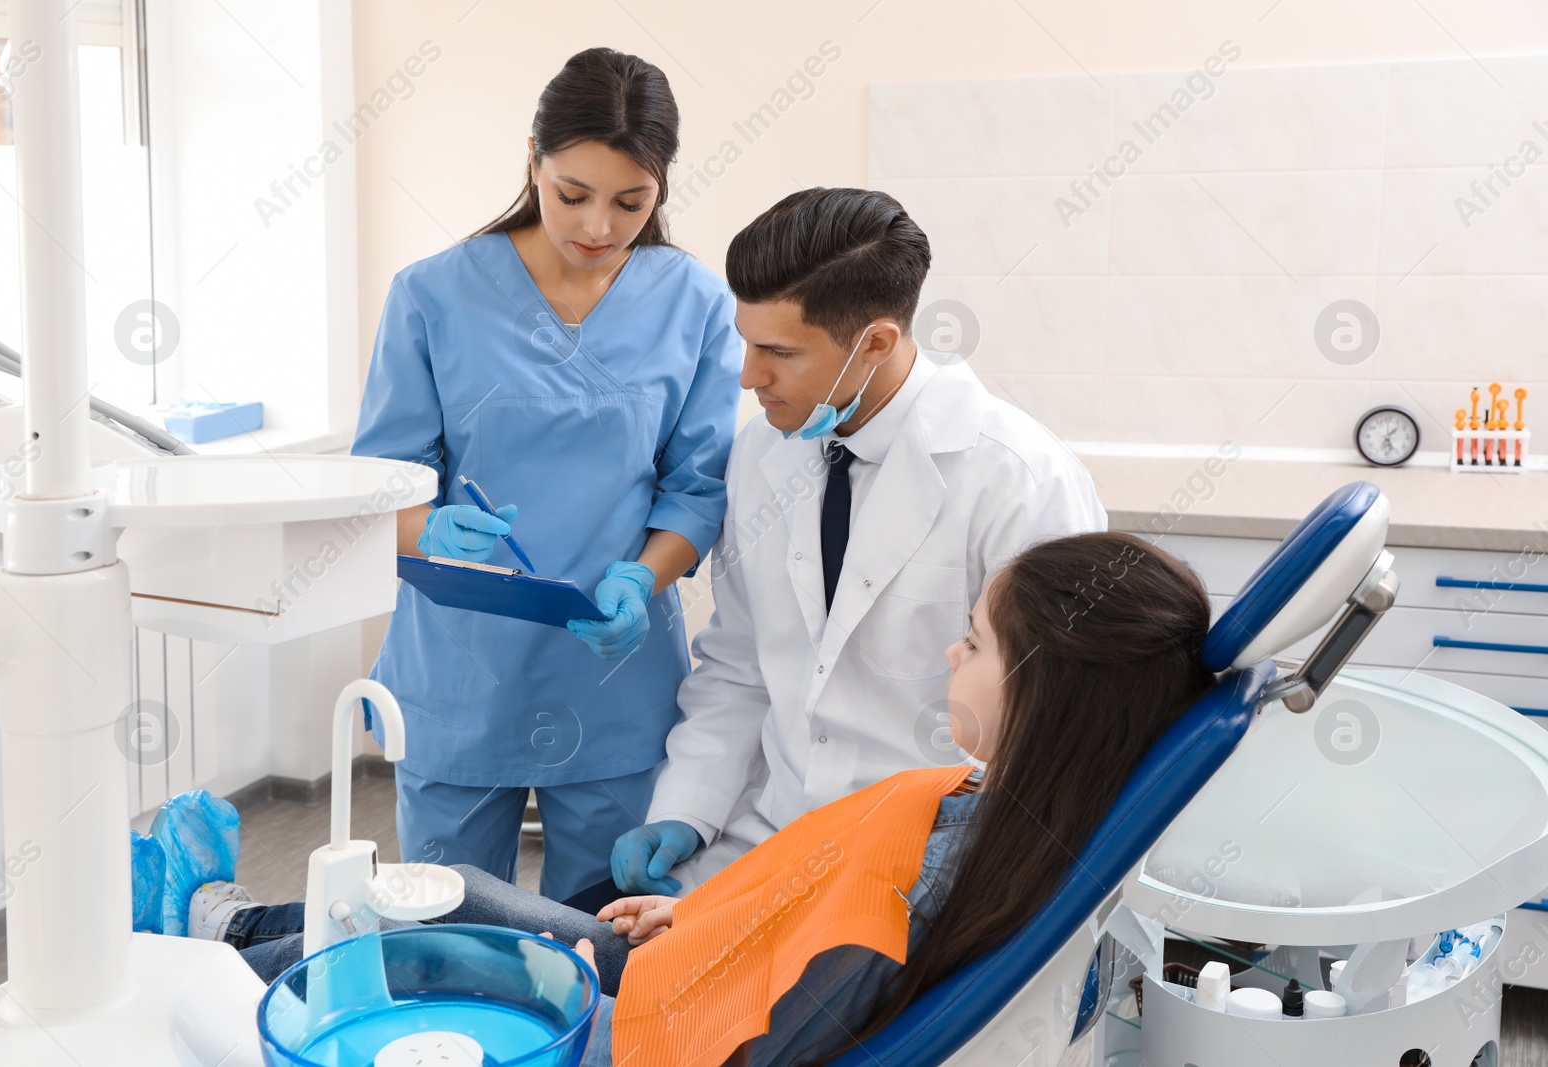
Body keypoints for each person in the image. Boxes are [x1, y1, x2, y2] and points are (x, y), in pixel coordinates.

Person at [142, 531, 1214, 1066]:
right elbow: (822, 891)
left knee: (415, 933)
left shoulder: (956, 866)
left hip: (655, 1027)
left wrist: (629, 996)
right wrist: (690, 914)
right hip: (685, 961)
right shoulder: (997, 807)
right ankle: (227, 918)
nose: (952, 648)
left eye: (975, 641)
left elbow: (798, 1020)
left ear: (1036, 689)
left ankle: (201, 948)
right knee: (460, 884)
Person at [608, 187, 1107, 897]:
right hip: (770, 837)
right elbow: (742, 663)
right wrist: (687, 808)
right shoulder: (762, 453)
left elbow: (1059, 733)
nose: (749, 376)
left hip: (925, 863)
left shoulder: (1019, 481)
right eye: (745, 343)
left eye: (778, 352)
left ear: (874, 343)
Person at [351, 48, 742, 904]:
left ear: (662, 189)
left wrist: (645, 576)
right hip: (461, 670)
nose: (598, 225)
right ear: (533, 160)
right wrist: (429, 528)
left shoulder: (698, 305)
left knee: (605, 930)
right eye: (573, 194)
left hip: (615, 675)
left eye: (630, 202)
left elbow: (699, 486)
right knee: (445, 923)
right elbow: (384, 484)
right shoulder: (432, 295)